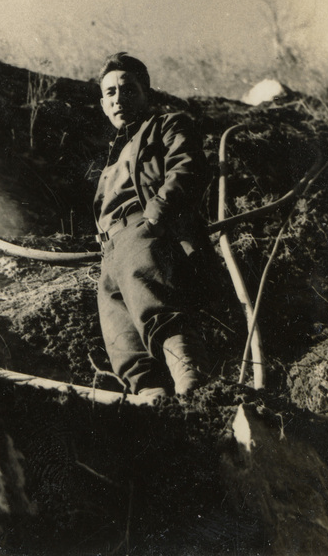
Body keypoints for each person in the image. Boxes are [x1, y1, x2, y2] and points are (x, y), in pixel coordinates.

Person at [93, 52, 211, 404]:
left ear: (148, 94)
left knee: (157, 309)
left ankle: (192, 385)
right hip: (112, 253)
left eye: (128, 90)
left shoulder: (167, 125)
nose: (119, 99)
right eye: (110, 93)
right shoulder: (109, 163)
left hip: (146, 235)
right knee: (123, 338)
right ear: (103, 104)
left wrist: (154, 218)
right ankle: (153, 400)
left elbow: (187, 168)